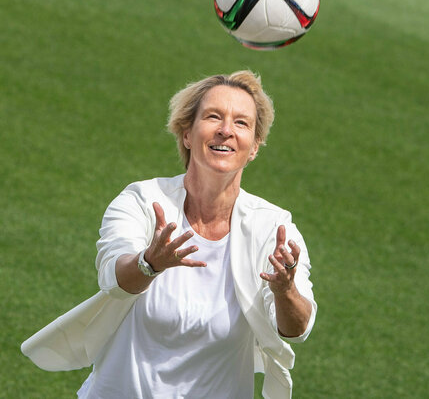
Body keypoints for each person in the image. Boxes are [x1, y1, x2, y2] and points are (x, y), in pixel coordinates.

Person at [21, 70, 317, 399]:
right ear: (187, 133)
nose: (225, 130)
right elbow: (113, 278)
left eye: (241, 123)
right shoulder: (142, 201)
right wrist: (150, 263)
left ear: (254, 147)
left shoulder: (273, 227)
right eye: (213, 117)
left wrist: (284, 289)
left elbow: (296, 330)